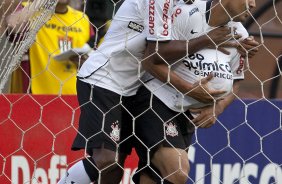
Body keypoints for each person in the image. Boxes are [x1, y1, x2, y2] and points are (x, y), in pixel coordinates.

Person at [57, 0, 259, 183]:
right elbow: (154, 55)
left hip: (136, 88)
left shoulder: (198, 13)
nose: (253, 4)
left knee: (117, 169)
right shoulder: (164, 3)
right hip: (105, 80)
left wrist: (217, 103)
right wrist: (206, 43)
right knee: (107, 161)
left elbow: (189, 41)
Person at [132, 0, 257, 183]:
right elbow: (152, 59)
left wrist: (217, 108)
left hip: (187, 112)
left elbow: (237, 81)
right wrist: (190, 89)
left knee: (153, 175)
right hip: (156, 98)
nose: (253, 5)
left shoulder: (241, 35)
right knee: (177, 170)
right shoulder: (186, 14)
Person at [7, 0, 93, 94]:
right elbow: (12, 24)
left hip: (74, 96)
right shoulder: (29, 10)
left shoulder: (82, 18)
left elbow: (91, 54)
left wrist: (84, 61)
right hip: (35, 95)